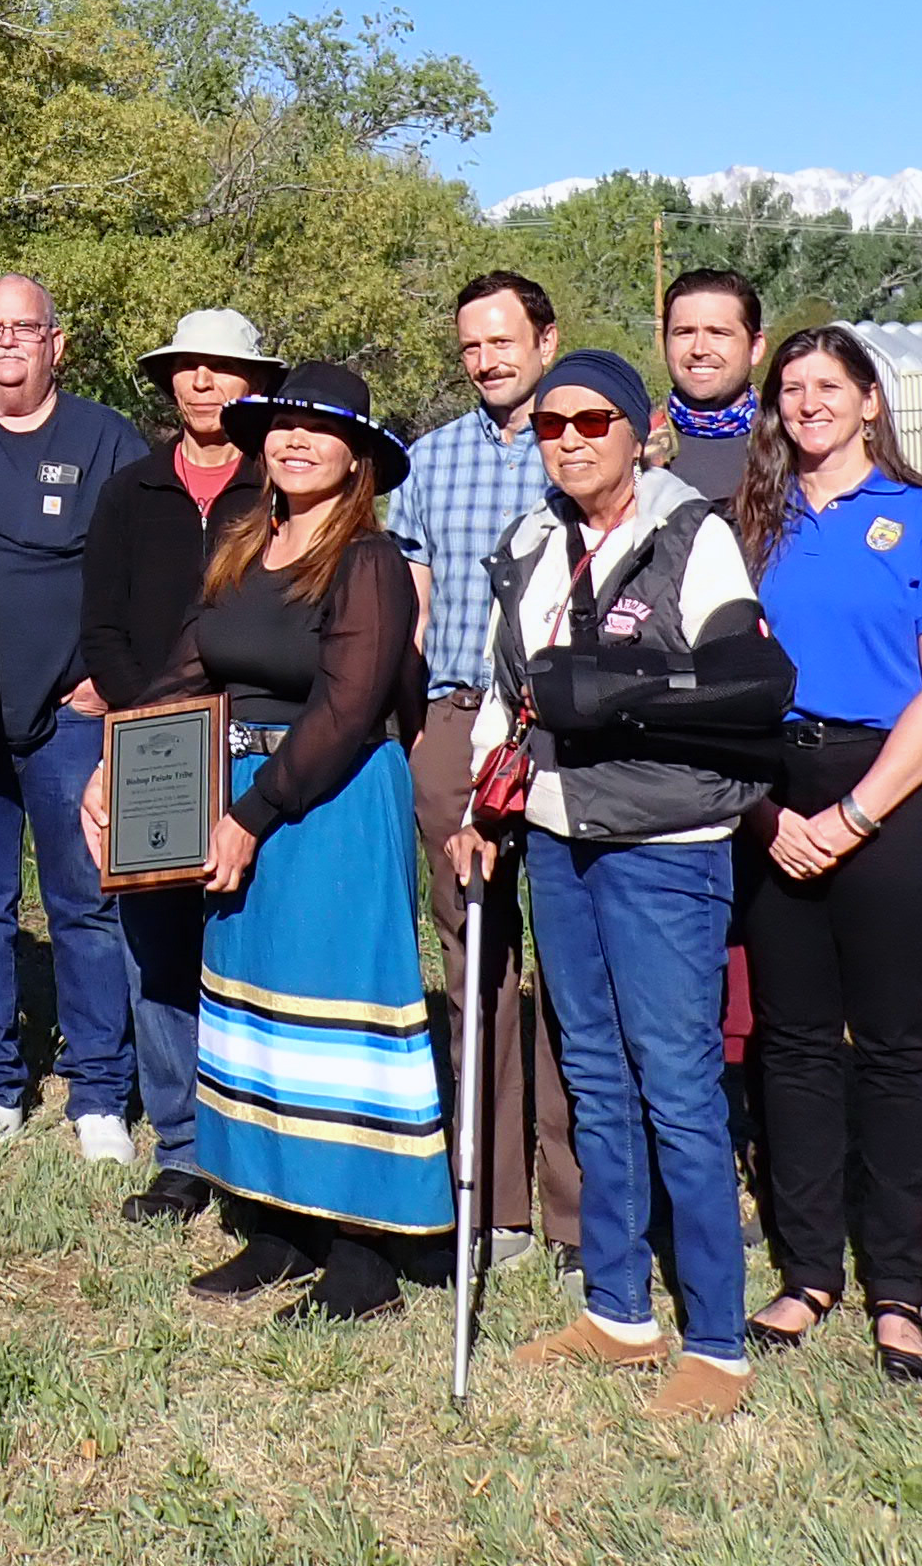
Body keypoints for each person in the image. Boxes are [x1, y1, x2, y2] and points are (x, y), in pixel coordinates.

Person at [84, 362, 445, 1321]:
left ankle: (363, 1253)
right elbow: (189, 667)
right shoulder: (245, 544)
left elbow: (349, 709)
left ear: (357, 458)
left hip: (327, 803)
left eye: (320, 432)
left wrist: (252, 817)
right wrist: (115, 761)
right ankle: (280, 1226)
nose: (295, 443)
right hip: (238, 794)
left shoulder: (368, 562)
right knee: (256, 1011)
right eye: (283, 427)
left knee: (337, 1011)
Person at [486, 348, 769, 1420]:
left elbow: (744, 682)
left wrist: (615, 693)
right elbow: (506, 692)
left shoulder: (692, 533)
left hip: (667, 843)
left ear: (639, 430)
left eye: (592, 421)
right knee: (595, 1077)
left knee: (678, 1088)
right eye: (551, 425)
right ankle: (617, 1311)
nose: (569, 440)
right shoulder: (529, 540)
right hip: (557, 833)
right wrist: (482, 812)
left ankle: (717, 1344)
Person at [726, 326, 922, 1384]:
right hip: (774, 791)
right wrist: (770, 814)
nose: (807, 403)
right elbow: (722, 677)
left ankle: (898, 1290)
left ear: (871, 400)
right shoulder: (754, 520)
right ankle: (807, 1272)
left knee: (890, 1047)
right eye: (790, 388)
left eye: (828, 385)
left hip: (889, 791)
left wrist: (855, 815)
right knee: (790, 1045)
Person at [0, 276, 145, 1159]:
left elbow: (148, 572)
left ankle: (100, 1093)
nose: (9, 341)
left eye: (27, 328)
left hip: (72, 716)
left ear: (56, 344)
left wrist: (111, 684)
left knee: (88, 908)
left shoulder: (106, 439)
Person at [383, 270, 581, 1269]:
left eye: (503, 341)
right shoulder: (429, 459)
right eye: (470, 346)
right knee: (476, 962)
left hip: (570, 732)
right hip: (458, 724)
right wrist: (418, 728)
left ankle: (579, 1208)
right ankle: (494, 1203)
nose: (486, 360)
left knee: (575, 966)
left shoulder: (583, 445)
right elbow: (413, 605)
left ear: (545, 341)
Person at [74, 308, 280, 1225]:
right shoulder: (131, 492)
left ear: (254, 385)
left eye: (222, 368)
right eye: (187, 368)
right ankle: (184, 1151)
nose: (202, 382)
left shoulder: (280, 487)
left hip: (257, 747)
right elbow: (102, 628)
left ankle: (264, 1139)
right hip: (151, 749)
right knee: (157, 948)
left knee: (251, 942)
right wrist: (152, 722)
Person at [652, 270, 767, 503]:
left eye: (718, 333)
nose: (699, 349)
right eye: (684, 333)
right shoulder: (633, 448)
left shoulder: (794, 442)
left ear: (755, 348)